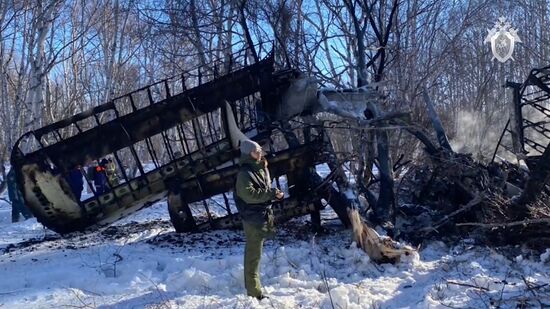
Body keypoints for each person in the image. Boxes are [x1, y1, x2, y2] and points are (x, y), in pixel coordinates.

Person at [234, 139, 284, 300]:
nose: (260, 153)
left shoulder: (259, 168)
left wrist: (274, 194)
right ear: (249, 153)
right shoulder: (244, 173)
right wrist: (270, 193)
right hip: (252, 218)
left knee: (256, 254)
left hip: (261, 215)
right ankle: (254, 293)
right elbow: (248, 195)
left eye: (260, 150)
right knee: (253, 256)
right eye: (256, 151)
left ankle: (254, 288)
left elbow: (263, 190)